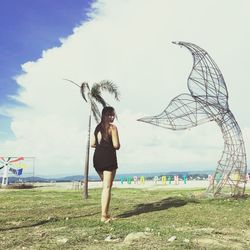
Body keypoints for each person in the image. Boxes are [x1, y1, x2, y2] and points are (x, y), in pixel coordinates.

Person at [91, 106, 120, 223]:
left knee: (105, 186)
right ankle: (104, 215)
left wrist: (101, 144)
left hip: (97, 159)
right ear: (104, 115)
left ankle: (105, 213)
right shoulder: (113, 128)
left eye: (113, 115)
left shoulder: (97, 127)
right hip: (108, 158)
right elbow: (116, 145)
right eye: (109, 115)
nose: (112, 117)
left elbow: (92, 144)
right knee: (107, 188)